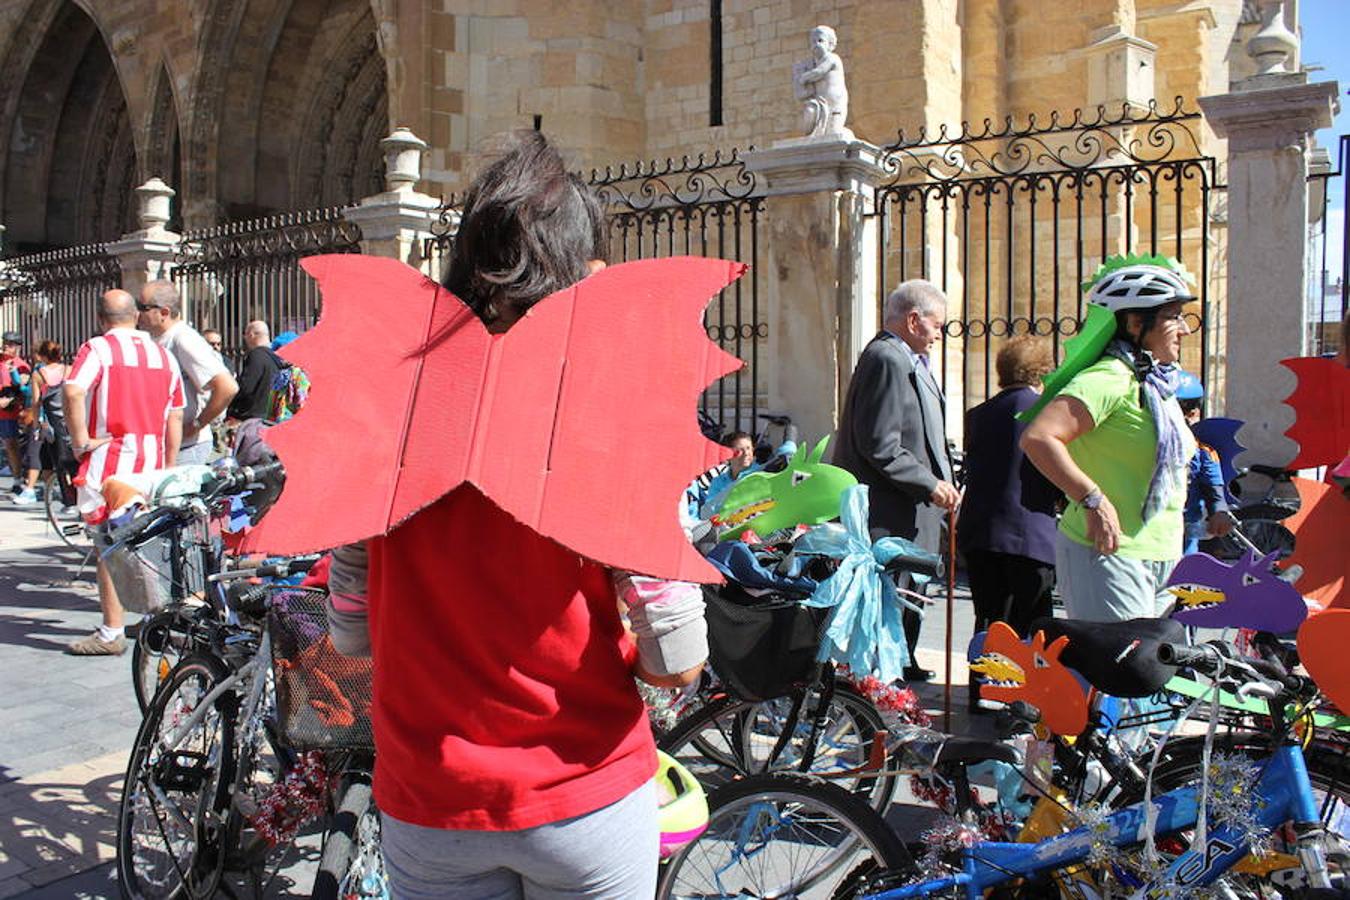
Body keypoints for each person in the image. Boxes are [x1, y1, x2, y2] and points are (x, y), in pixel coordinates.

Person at [322, 131, 706, 899]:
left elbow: (349, 632)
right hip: (582, 791)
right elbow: (679, 659)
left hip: (429, 800)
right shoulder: (600, 416)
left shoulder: (392, 412)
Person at [1021, 259, 1198, 623]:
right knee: (1119, 677)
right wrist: (1092, 499)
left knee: (1150, 677)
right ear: (1135, 323)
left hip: (1162, 553)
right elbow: (1039, 438)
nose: (1184, 329)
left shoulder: (1156, 385)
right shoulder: (1110, 377)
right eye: (1172, 317)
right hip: (1109, 553)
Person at [833, 279, 958, 682]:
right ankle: (882, 681)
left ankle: (901, 663)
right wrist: (929, 483)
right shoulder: (887, 358)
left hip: (911, 510)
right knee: (893, 595)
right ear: (914, 319)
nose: (941, 334)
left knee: (909, 594)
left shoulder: (906, 359)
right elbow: (880, 444)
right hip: (893, 508)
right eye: (937, 325)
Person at [63, 290, 185, 655]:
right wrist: (169, 464)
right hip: (151, 462)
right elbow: (175, 414)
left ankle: (110, 631)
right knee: (148, 547)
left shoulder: (98, 349)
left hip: (112, 460)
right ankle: (154, 620)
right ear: (135, 316)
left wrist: (80, 440)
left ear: (102, 319)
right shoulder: (163, 355)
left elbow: (72, 391)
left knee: (108, 546)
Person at [958, 336, 1060, 636]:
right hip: (1031, 533)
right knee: (1030, 627)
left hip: (981, 531)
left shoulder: (978, 415)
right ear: (1042, 371)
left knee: (989, 621)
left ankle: (983, 680)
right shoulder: (1045, 410)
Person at [137, 280, 238, 465]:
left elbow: (227, 387)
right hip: (167, 446)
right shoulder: (157, 339)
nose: (138, 313)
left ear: (164, 312)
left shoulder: (183, 339)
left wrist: (197, 424)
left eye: (143, 307)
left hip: (187, 449)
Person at [1175, 371, 1235, 555]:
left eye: (1188, 409)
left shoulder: (1203, 453)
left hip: (1184, 532)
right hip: (1144, 530)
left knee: (1181, 580)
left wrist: (1219, 512)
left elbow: (1214, 492)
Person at [10, 340, 67, 505]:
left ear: (42, 355)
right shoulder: (68, 370)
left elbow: (34, 399)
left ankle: (30, 490)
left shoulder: (39, 373)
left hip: (44, 420)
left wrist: (35, 423)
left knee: (35, 454)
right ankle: (60, 492)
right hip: (65, 421)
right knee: (56, 457)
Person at [227, 319, 285, 420]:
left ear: (251, 335)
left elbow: (246, 387)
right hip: (272, 416)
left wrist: (231, 406)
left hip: (254, 418)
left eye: (245, 335)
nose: (245, 339)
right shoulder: (276, 358)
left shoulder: (256, 355)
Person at [1, 330, 31, 493]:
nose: (6, 346)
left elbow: (23, 390)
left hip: (11, 412)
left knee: (12, 445)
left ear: (18, 347)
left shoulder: (21, 366)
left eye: (11, 344)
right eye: (5, 342)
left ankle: (18, 479)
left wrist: (9, 401)